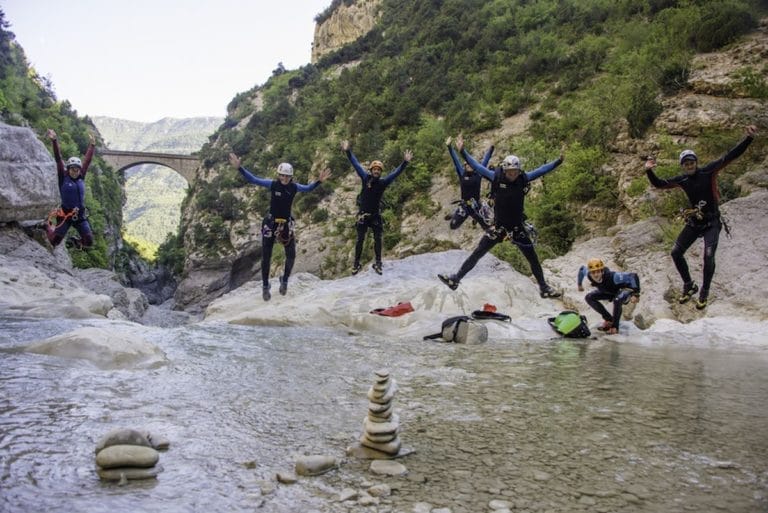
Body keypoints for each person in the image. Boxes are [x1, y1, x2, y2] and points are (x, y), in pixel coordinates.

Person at [644, 125, 758, 309]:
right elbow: (659, 184)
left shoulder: (708, 171)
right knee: (675, 252)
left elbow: (731, 156)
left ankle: (704, 291)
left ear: (696, 162)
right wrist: (649, 170)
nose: (689, 166)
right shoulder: (682, 180)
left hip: (712, 222)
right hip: (695, 221)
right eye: (686, 164)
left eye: (692, 162)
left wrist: (748, 138)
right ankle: (689, 285)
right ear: (682, 166)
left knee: (708, 256)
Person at [438, 139, 564, 298]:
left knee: (533, 258)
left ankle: (544, 288)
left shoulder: (523, 179)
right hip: (499, 227)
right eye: (510, 171)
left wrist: (558, 161)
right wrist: (462, 151)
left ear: (519, 170)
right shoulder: (495, 177)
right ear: (504, 169)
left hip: (517, 228)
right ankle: (455, 279)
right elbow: (477, 166)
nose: (512, 174)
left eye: (515, 171)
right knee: (477, 253)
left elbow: (541, 170)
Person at [229, 153, 331, 301]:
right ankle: (265, 286)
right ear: (278, 175)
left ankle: (284, 281)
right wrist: (240, 168)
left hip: (285, 223)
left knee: (291, 255)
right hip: (271, 222)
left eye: (287, 176)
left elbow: (308, 189)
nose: (284, 179)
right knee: (267, 255)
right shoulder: (273, 184)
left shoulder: (294, 187)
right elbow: (253, 179)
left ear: (291, 177)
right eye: (282, 176)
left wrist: (319, 182)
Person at [341, 140, 412, 275]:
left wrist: (405, 162)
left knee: (378, 239)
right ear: (371, 170)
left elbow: (395, 173)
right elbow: (356, 164)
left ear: (380, 172)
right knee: (360, 239)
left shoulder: (383, 182)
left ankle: (378, 263)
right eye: (374, 169)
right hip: (363, 215)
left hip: (374, 215)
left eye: (378, 170)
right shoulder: (365, 177)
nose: (376, 171)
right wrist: (348, 151)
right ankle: (356, 264)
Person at [46, 129, 96, 249]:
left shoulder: (81, 176)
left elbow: (87, 162)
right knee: (54, 242)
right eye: (73, 169)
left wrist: (92, 146)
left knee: (89, 241)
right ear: (68, 168)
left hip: (80, 216)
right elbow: (58, 158)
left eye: (77, 169)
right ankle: (45, 227)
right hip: (65, 216)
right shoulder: (63, 177)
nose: (76, 171)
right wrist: (54, 140)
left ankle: (76, 242)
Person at [577, 258, 640, 335]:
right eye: (593, 272)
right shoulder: (588, 274)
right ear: (590, 273)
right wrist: (579, 284)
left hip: (625, 290)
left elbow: (632, 276)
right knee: (589, 297)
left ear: (602, 271)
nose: (596, 275)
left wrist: (636, 294)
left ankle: (615, 327)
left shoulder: (613, 277)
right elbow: (582, 269)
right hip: (609, 292)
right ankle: (609, 319)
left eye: (598, 271)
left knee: (617, 300)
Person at [446, 135, 493, 231]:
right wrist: (449, 147)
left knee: (489, 228)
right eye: (466, 164)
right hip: (465, 206)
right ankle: (455, 213)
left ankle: (475, 219)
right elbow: (456, 161)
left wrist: (491, 148)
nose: (468, 165)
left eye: (470, 164)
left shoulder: (479, 173)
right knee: (453, 226)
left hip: (476, 206)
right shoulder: (462, 173)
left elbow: (486, 160)